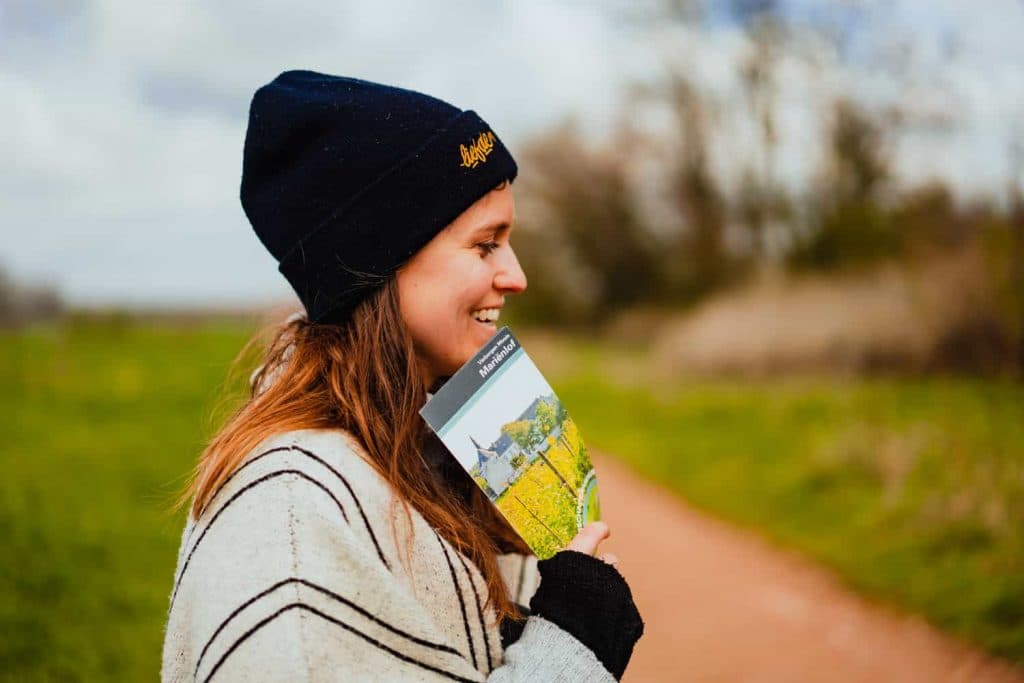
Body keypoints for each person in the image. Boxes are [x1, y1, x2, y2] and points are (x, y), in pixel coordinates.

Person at [162, 70, 644, 682]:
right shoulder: (292, 514)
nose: (517, 276)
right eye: (486, 244)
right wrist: (570, 647)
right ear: (383, 261)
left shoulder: (425, 443)